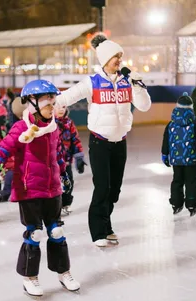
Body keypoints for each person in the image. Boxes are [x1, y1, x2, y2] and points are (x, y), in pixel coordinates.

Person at [0, 79, 79, 297]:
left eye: (52, 102)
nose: (51, 106)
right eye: (47, 102)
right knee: (34, 234)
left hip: (52, 188)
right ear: (33, 103)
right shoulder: (21, 128)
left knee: (57, 231)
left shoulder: (53, 126)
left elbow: (57, 154)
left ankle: (64, 272)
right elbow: (2, 150)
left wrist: (64, 173)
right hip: (30, 189)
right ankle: (30, 278)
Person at [55, 34, 151, 247]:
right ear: (105, 59)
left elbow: (144, 106)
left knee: (114, 190)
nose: (119, 60)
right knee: (102, 188)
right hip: (100, 142)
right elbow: (66, 97)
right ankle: (98, 231)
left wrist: (137, 85)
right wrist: (50, 105)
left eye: (120, 56)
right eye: (115, 57)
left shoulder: (128, 81)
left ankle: (107, 227)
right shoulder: (92, 82)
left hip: (120, 142)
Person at [161, 92, 196, 217]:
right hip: (192, 160)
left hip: (176, 160)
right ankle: (192, 203)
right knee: (192, 182)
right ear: (191, 107)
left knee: (177, 181)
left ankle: (176, 203)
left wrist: (165, 153)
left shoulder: (171, 124)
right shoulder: (195, 124)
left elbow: (166, 140)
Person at [54, 104, 86, 215]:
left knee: (69, 183)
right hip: (52, 163)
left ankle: (66, 203)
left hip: (66, 162)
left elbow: (75, 141)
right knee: (54, 185)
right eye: (57, 107)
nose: (61, 110)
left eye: (63, 107)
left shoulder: (69, 123)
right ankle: (54, 207)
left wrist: (79, 158)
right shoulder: (49, 124)